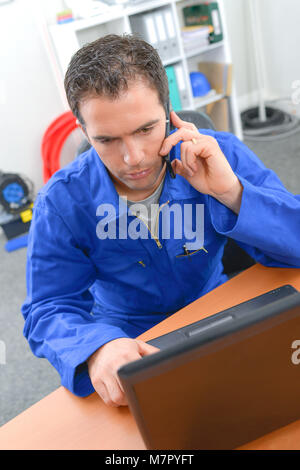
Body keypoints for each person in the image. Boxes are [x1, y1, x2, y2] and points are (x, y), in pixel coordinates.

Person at [22, 34, 300, 408]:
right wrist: (97, 348)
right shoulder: (62, 200)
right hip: (131, 341)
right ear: (83, 129)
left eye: (144, 129)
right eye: (106, 139)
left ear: (169, 111)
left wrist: (231, 192)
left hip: (220, 312)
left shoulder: (223, 153)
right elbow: (48, 306)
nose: (132, 158)